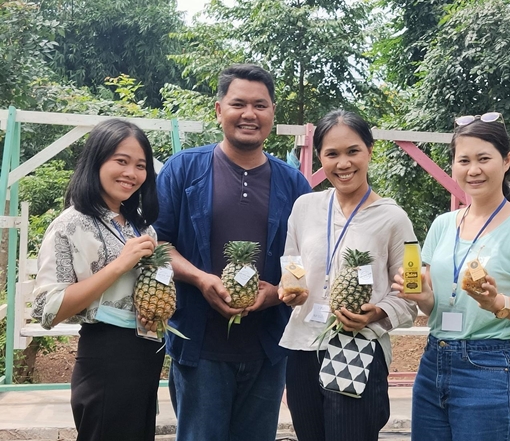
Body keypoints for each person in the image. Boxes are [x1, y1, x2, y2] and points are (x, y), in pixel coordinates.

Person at [153, 64, 312, 441]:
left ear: (272, 112)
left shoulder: (294, 184)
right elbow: (156, 244)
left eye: (260, 105)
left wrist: (277, 292)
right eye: (238, 104)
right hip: (199, 346)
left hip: (267, 349)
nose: (249, 114)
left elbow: (306, 257)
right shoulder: (183, 170)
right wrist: (200, 279)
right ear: (219, 109)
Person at [392, 112, 510, 441]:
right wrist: (423, 297)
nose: (473, 170)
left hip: (489, 367)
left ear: (506, 160)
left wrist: (499, 303)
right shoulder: (443, 224)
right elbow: (435, 304)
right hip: (433, 361)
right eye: (464, 160)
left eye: (484, 159)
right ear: (453, 165)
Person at [278, 109, 419, 441]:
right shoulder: (305, 207)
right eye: (332, 154)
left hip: (358, 347)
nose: (343, 163)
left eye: (353, 151)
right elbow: (292, 266)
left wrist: (377, 312)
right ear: (320, 158)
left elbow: (409, 295)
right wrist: (290, 290)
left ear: (369, 150)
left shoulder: (393, 218)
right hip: (303, 346)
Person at [32, 119, 163, 441]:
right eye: (121, 161)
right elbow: (47, 309)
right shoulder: (71, 224)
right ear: (96, 161)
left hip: (146, 353)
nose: (131, 173)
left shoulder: (141, 227)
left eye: (140, 166)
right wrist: (119, 266)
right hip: (107, 355)